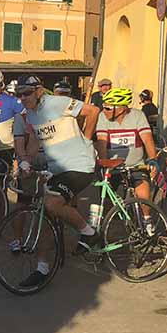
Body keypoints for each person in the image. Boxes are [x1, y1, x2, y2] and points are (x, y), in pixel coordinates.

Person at [14, 75, 100, 288]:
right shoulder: (32, 115)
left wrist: (87, 139)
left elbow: (93, 111)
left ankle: (89, 233)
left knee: (51, 203)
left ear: (39, 91)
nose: (23, 98)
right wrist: (25, 160)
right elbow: (35, 141)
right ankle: (41, 269)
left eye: (27, 93)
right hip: (58, 169)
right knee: (46, 216)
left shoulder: (57, 103)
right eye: (19, 94)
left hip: (79, 165)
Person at [96, 87, 159, 207]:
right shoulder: (102, 117)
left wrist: (152, 160)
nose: (104, 110)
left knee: (144, 197)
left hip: (136, 165)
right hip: (113, 166)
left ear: (120, 109)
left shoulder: (138, 116)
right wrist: (104, 164)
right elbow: (102, 143)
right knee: (107, 201)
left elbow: (147, 139)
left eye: (107, 108)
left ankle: (147, 220)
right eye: (103, 107)